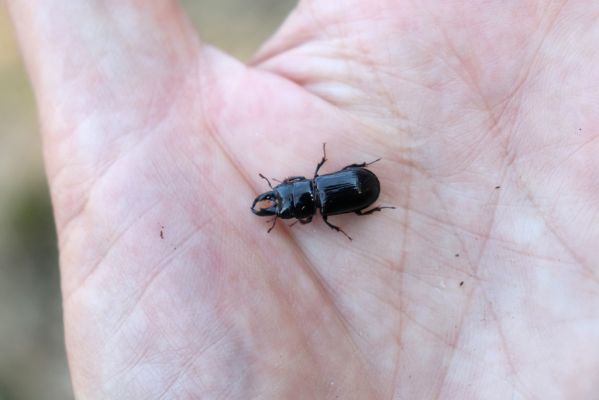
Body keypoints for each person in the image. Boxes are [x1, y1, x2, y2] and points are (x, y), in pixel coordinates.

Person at [7, 1, 599, 398]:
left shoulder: (319, 203)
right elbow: (336, 186)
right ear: (297, 199)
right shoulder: (319, 196)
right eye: (283, 201)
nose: (280, 201)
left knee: (354, 198)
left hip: (356, 190)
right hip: (353, 189)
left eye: (283, 199)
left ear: (298, 195)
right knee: (352, 196)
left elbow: (340, 189)